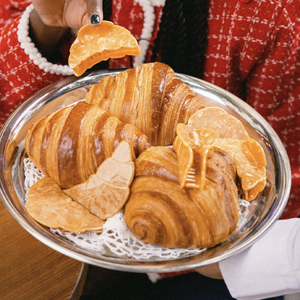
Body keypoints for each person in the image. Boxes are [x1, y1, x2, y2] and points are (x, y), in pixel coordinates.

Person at [1, 0, 300, 299]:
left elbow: (282, 174)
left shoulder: (269, 15)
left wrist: (223, 244)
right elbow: (13, 113)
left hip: (215, 265)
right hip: (63, 240)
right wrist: (44, 28)